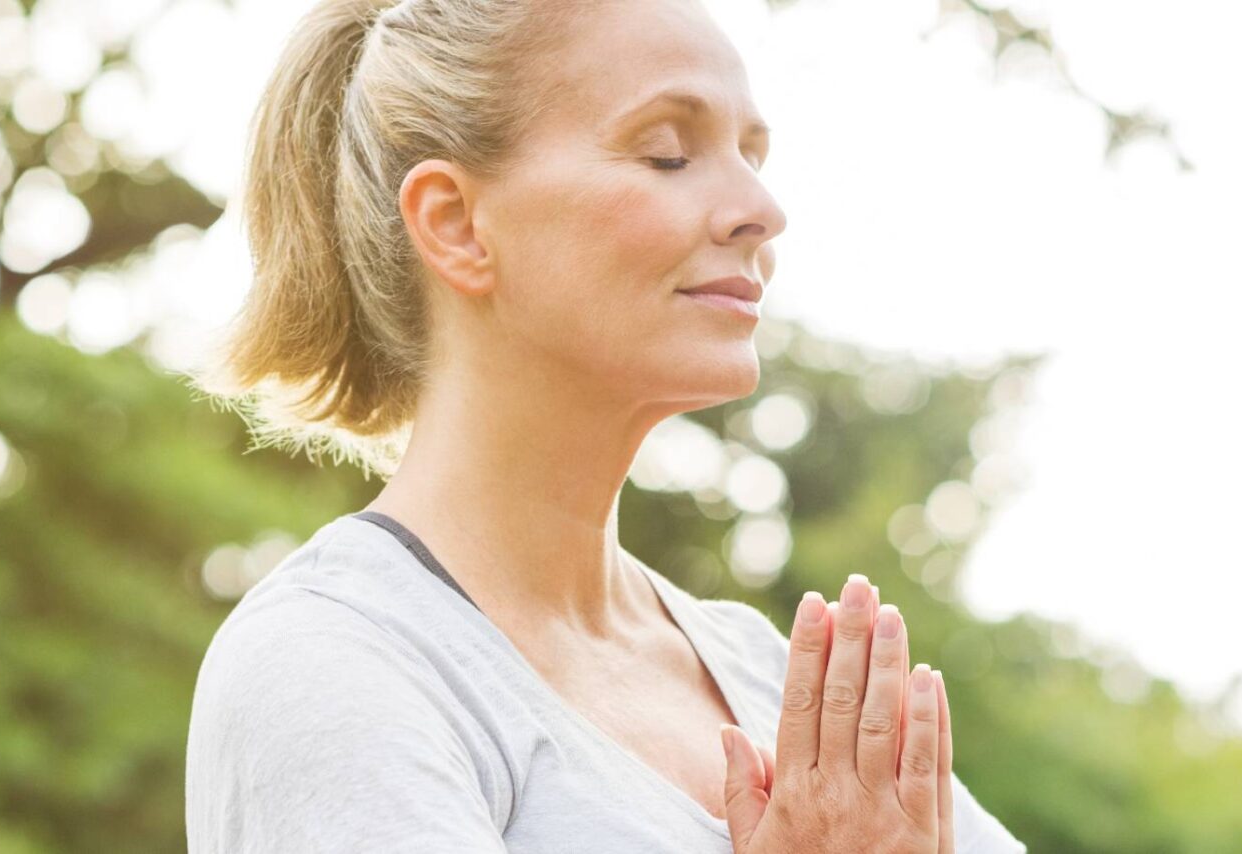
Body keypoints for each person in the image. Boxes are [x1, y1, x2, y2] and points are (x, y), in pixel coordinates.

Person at [183, 0, 1028, 851]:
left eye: (752, 155)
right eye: (669, 154)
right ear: (455, 223)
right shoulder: (333, 664)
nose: (761, 209)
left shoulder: (771, 674)